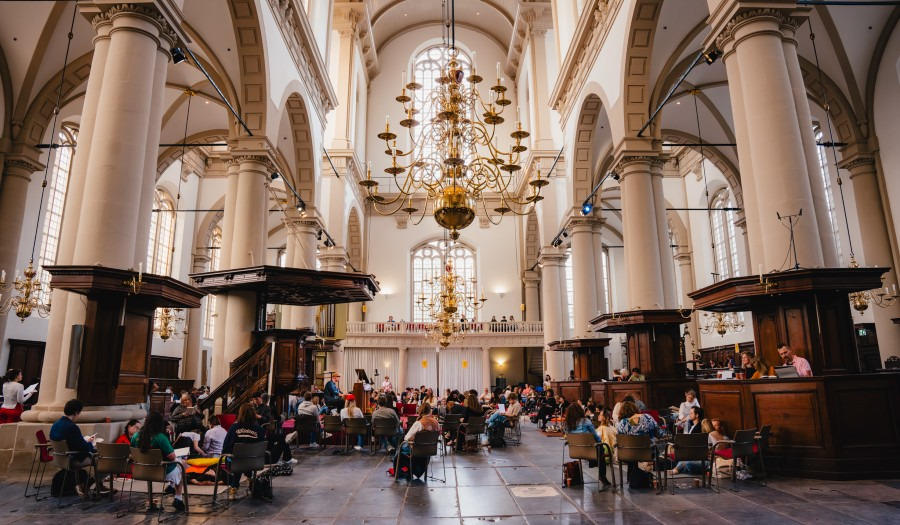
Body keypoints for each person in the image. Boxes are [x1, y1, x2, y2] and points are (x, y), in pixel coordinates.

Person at [133, 411, 185, 511]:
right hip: (160, 472)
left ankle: (171, 486)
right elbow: (172, 457)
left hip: (141, 471)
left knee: (180, 465)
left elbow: (132, 453)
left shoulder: (135, 436)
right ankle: (178, 498)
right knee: (181, 465)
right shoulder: (160, 437)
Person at [49, 399, 97, 497]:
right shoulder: (72, 427)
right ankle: (89, 484)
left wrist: (84, 442)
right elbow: (83, 448)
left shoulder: (56, 424)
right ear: (76, 413)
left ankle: (98, 486)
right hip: (72, 459)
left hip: (60, 458)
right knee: (103, 460)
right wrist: (90, 444)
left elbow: (72, 442)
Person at [562, 403, 612, 488]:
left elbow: (566, 436)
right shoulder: (586, 421)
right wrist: (600, 441)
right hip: (589, 450)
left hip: (575, 451)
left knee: (597, 449)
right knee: (601, 448)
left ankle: (593, 462)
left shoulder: (566, 424)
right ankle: (601, 474)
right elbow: (595, 436)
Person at [222, 404, 266, 493]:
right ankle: (249, 476)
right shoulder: (260, 430)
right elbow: (263, 448)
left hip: (234, 463)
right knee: (244, 458)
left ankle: (234, 485)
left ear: (240, 414)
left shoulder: (234, 428)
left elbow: (225, 447)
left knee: (236, 457)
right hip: (254, 463)